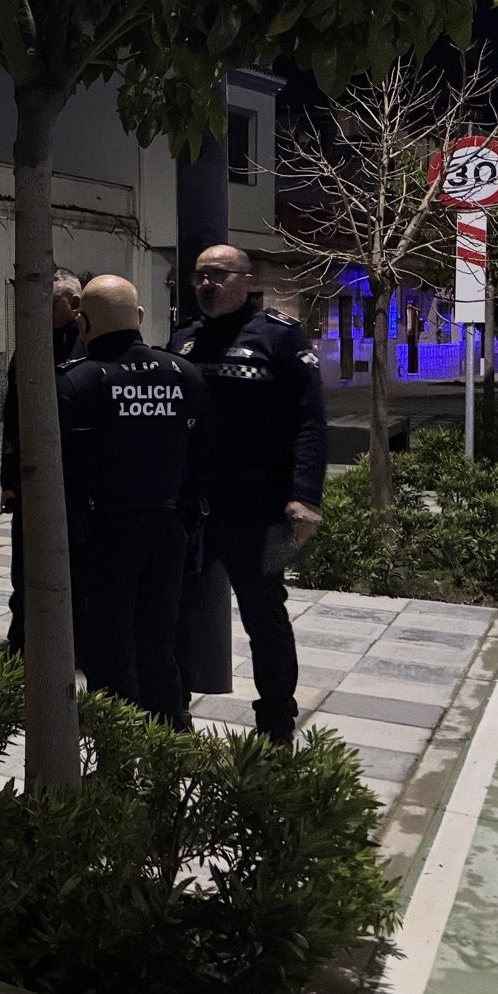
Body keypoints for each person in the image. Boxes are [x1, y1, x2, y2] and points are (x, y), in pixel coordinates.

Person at [170, 244, 326, 745]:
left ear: (245, 279)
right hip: (194, 506)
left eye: (217, 275)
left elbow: (309, 421)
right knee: (177, 610)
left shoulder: (279, 337)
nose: (206, 284)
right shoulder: (183, 340)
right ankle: (172, 719)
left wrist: (305, 496)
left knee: (265, 613)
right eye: (199, 276)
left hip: (259, 509)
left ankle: (276, 726)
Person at [56, 276, 210, 723]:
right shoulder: (185, 375)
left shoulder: (75, 382)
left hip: (102, 536)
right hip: (169, 533)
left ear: (83, 322)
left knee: (107, 649)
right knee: (160, 644)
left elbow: (59, 471)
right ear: (139, 317)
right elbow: (204, 459)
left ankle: (117, 747)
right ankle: (170, 739)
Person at [1, 270, 86, 656]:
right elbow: (12, 420)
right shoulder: (29, 350)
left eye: (50, 302)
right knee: (25, 565)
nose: (42, 310)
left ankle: (74, 641)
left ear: (74, 304)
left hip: (78, 480)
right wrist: (8, 481)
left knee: (78, 565)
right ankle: (21, 641)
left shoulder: (87, 348)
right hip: (33, 476)